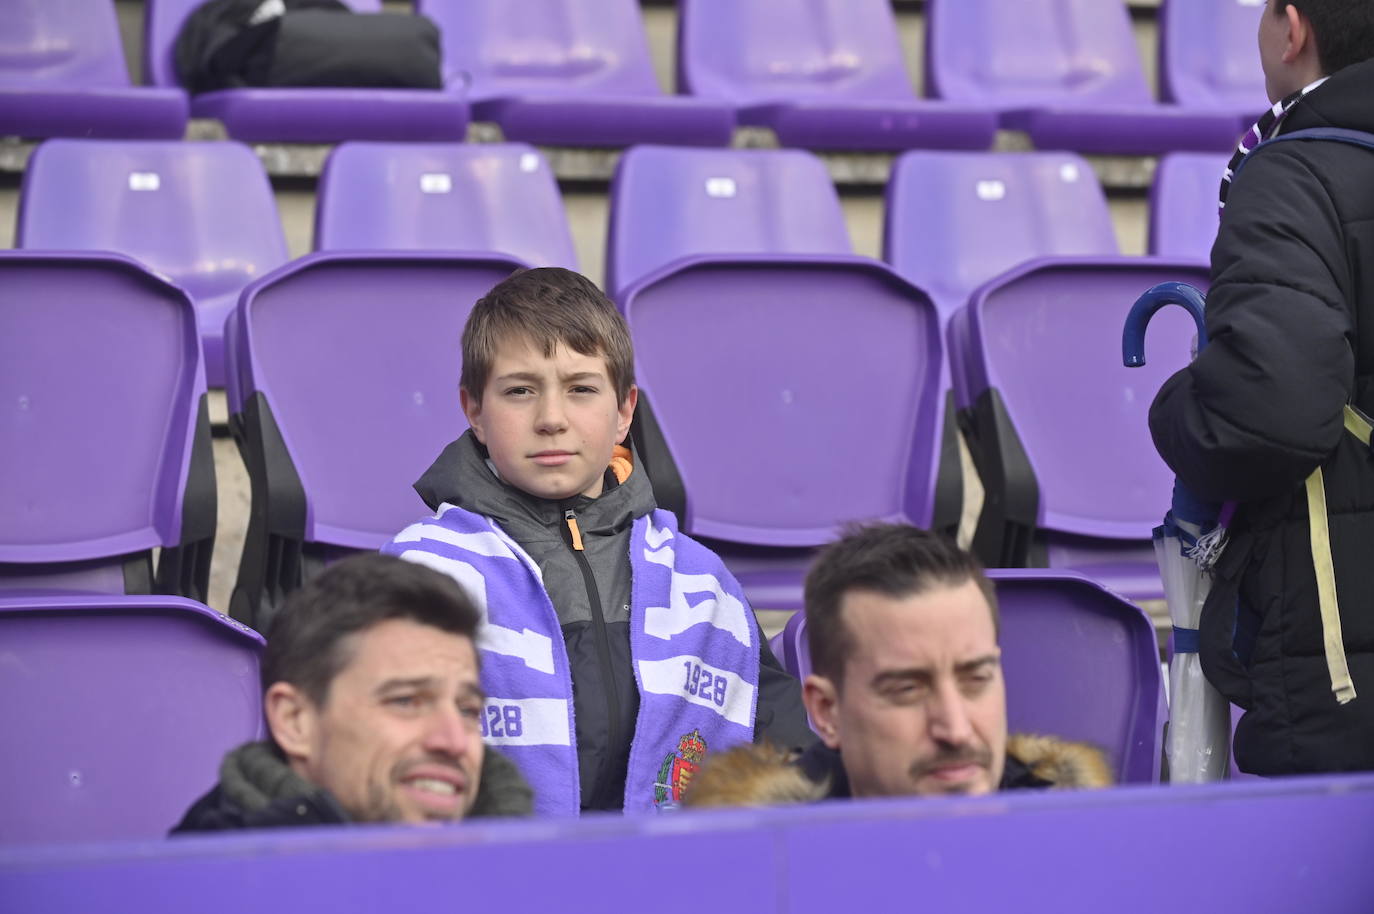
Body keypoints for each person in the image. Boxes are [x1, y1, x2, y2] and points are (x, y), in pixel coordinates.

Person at [382, 267, 812, 815]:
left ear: (624, 412)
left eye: (581, 389)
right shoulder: (422, 571)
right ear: (474, 412)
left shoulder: (701, 581)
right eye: (519, 391)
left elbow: (781, 743)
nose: (552, 419)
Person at [1149, 0, 1374, 774]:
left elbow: (1263, 414)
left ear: (1293, 26)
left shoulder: (1293, 172)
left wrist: (1177, 407)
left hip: (1347, 681)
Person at [686, 524, 1111, 807]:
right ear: (826, 711)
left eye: (976, 679)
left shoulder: (1091, 848)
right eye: (907, 690)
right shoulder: (753, 872)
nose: (956, 729)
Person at [172, 554, 532, 832]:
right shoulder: (197, 892)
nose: (454, 742)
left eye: (467, 710)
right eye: (406, 701)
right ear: (294, 721)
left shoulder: (533, 879)